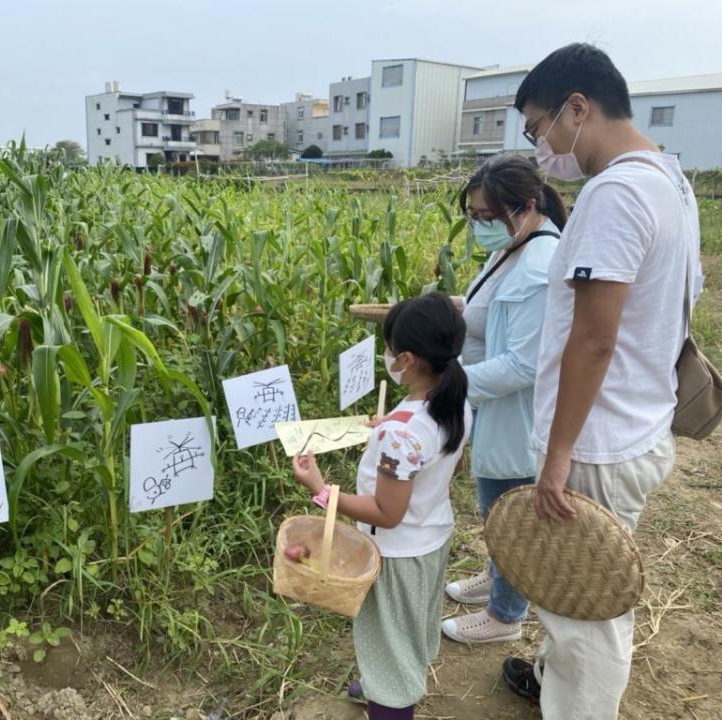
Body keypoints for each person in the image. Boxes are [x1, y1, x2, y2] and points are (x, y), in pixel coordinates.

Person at [500, 43, 703, 720]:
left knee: (586, 613)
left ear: (577, 109)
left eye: (538, 128)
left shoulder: (616, 191)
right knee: (583, 590)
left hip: (596, 442)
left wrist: (557, 460)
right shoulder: (670, 180)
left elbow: (594, 338)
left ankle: (578, 708)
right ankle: (554, 684)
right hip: (636, 423)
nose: (542, 146)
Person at [292, 292, 472, 720]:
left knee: (388, 643)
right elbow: (446, 461)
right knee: (406, 631)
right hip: (430, 541)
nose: (387, 355)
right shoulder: (453, 401)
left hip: (396, 554)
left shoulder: (403, 435)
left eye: (390, 348)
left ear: (407, 360)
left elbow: (387, 512)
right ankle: (381, 683)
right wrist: (389, 427)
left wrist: (321, 489)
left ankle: (388, 700)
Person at [441, 156, 566, 644]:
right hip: (491, 406)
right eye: (473, 216)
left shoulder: (538, 267)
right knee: (494, 510)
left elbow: (523, 364)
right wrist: (453, 307)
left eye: (485, 217)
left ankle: (505, 616)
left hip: (518, 417)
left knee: (511, 519)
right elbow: (490, 311)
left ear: (526, 206)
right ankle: (497, 578)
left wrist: (450, 384)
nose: (477, 226)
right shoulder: (513, 246)